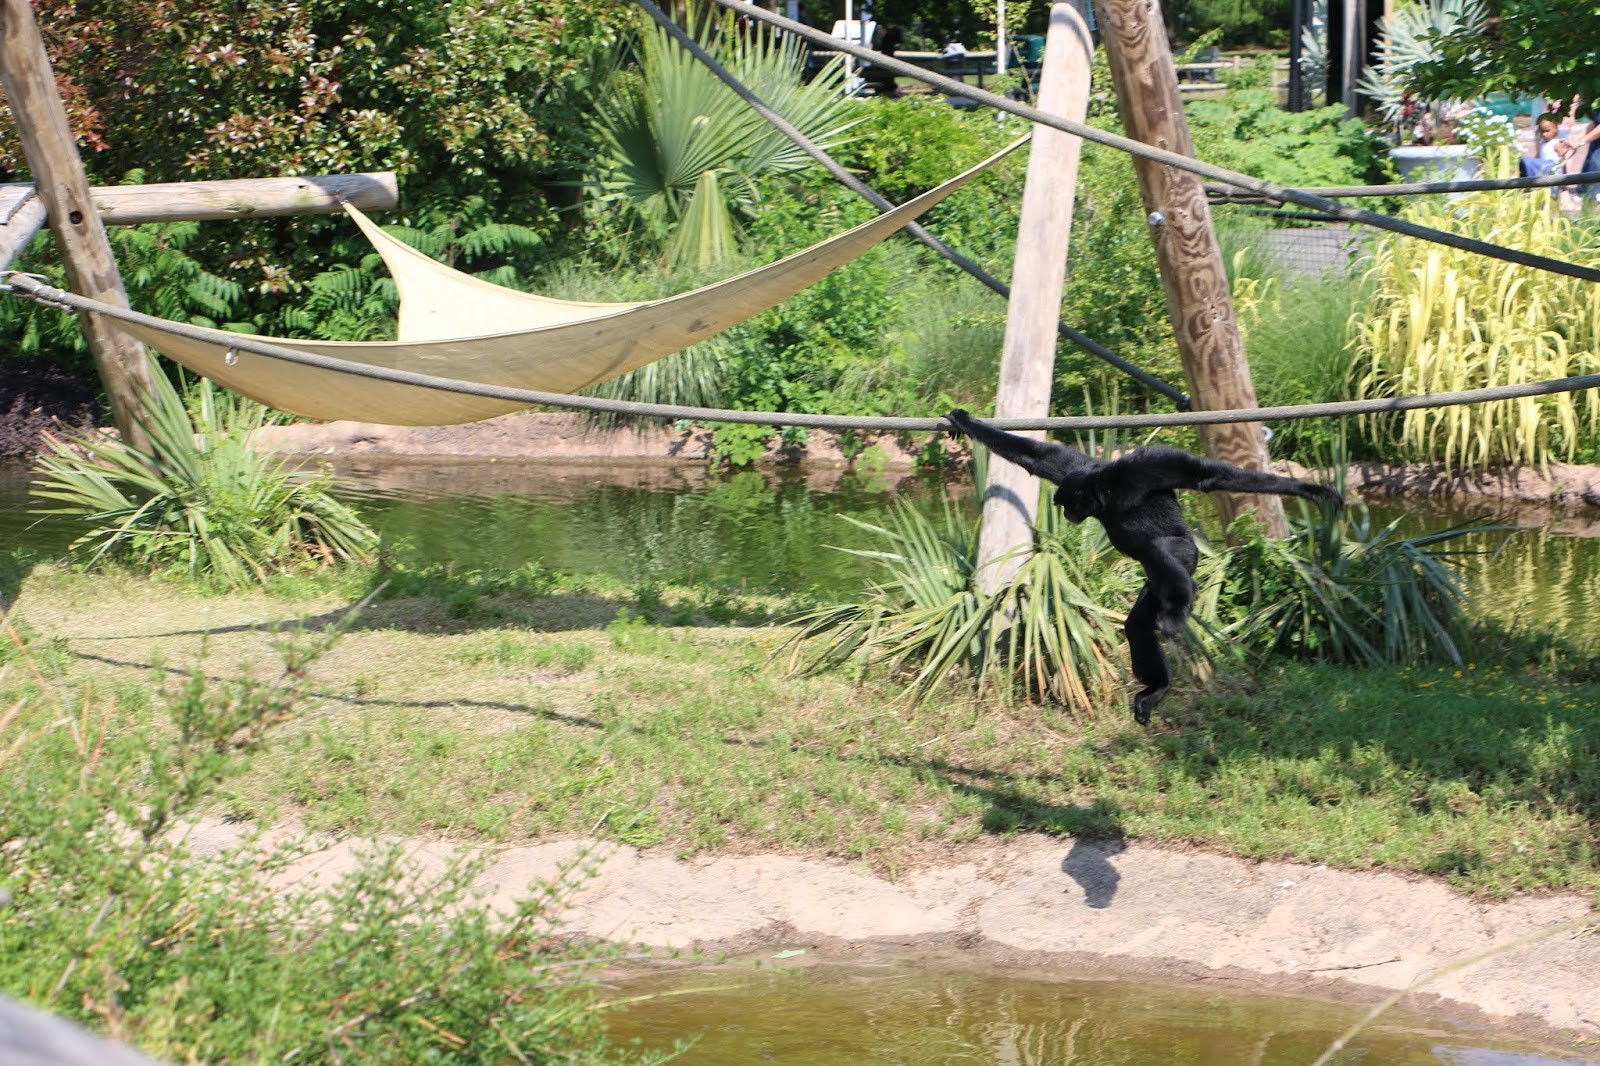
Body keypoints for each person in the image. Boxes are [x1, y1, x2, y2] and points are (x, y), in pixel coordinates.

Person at [1521, 112, 1564, 178]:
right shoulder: (1543, 145)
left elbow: (1562, 160)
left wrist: (1563, 176)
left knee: (1527, 161)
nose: (1544, 134)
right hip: (1544, 171)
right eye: (1542, 131)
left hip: (1552, 171)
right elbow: (1538, 158)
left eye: (1547, 131)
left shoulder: (1555, 143)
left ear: (1555, 129)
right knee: (1526, 161)